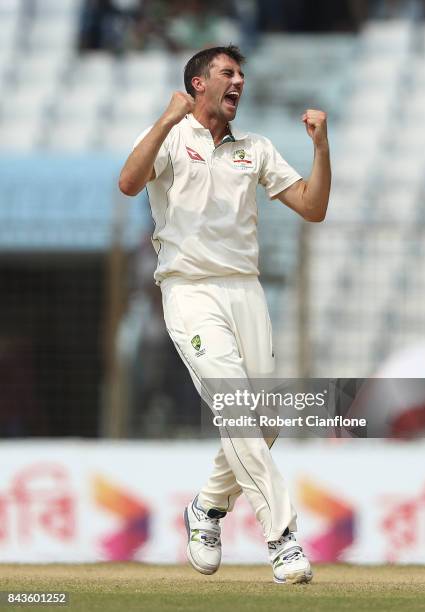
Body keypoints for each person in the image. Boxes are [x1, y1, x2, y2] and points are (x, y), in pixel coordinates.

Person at [119, 44, 331, 584]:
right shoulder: (171, 136)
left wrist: (321, 146)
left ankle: (207, 508)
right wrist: (167, 118)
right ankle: (282, 539)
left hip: (245, 292)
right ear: (198, 84)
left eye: (242, 75)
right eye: (227, 73)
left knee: (265, 424)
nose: (239, 81)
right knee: (239, 410)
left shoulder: (254, 148)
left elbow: (312, 206)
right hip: (190, 291)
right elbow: (128, 182)